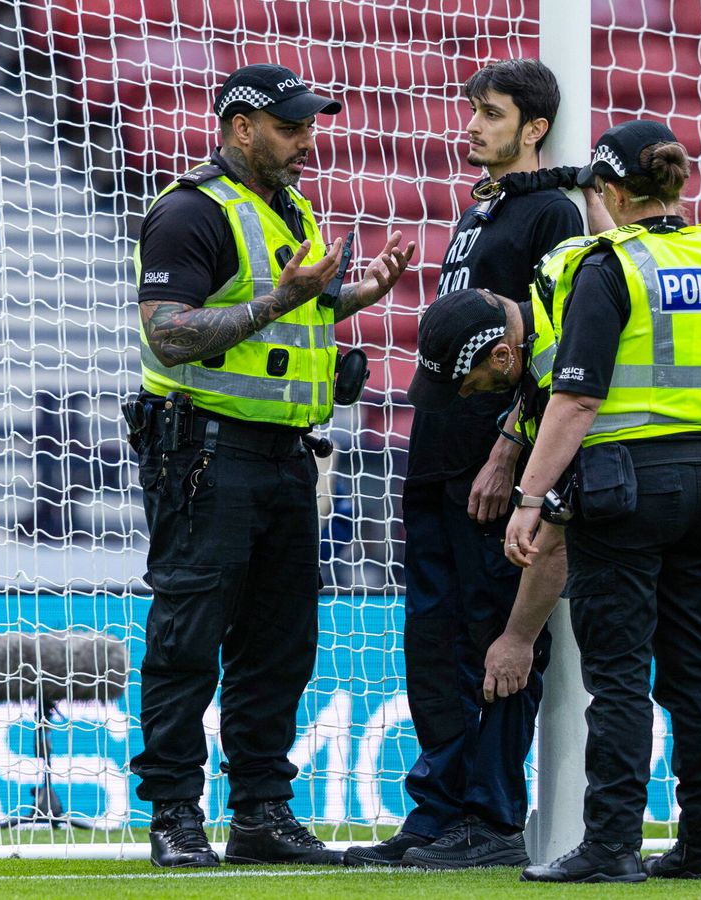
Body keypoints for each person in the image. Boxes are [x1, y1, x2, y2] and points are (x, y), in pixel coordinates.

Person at [425, 119, 701, 883]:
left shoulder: (607, 266)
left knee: (618, 674)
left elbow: (576, 400)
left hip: (624, 487)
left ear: (612, 192)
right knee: (698, 669)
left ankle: (612, 842)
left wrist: (529, 497)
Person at [125, 63, 414, 869]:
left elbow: (292, 314)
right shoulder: (188, 212)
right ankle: (176, 816)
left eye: (309, 125)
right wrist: (285, 301)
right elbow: (169, 333)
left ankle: (259, 811)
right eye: (291, 127)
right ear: (241, 127)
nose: (306, 141)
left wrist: (353, 293)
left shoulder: (291, 208)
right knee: (188, 638)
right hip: (205, 455)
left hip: (288, 458)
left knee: (280, 644)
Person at [343, 59, 583, 870]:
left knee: (494, 636)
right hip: (436, 456)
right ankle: (438, 811)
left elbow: (551, 352)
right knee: (433, 641)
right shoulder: (482, 214)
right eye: (473, 110)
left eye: (492, 113)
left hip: (491, 464)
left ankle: (492, 814)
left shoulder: (552, 214)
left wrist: (509, 449)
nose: (474, 124)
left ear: (534, 128)